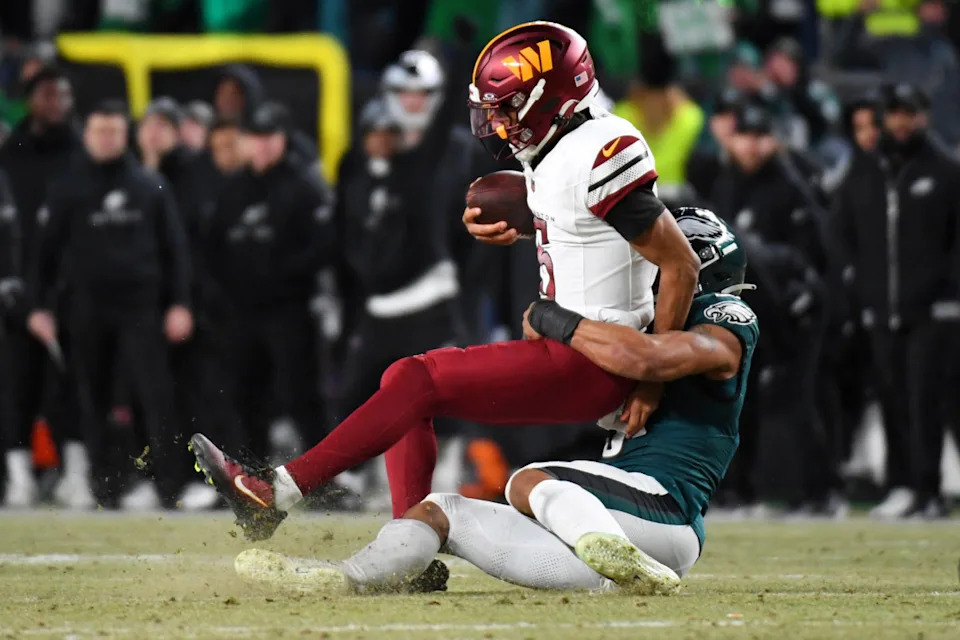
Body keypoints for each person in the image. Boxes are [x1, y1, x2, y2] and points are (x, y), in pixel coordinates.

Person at [189, 21, 700, 540]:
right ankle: (408, 544)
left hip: (598, 357)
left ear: (553, 97)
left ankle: (275, 493)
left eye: (508, 105)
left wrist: (652, 377)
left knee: (416, 380)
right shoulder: (560, 142)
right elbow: (595, 232)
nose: (497, 120)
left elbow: (680, 264)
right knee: (402, 386)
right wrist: (531, 225)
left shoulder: (601, 148)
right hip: (568, 343)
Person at [231, 208, 757, 596]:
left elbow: (651, 358)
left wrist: (558, 319)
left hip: (665, 509)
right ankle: (347, 578)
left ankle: (616, 556)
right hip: (605, 515)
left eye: (650, 261)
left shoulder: (726, 318)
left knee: (528, 480)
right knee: (439, 511)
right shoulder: (639, 325)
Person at [29, 100, 193, 509]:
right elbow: (44, 253)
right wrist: (38, 306)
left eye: (114, 131)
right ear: (87, 135)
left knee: (154, 395)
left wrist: (180, 303)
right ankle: (105, 487)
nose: (106, 139)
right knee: (93, 398)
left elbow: (175, 250)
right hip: (86, 306)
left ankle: (167, 485)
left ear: (126, 134)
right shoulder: (68, 186)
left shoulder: (149, 184)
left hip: (140, 305)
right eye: (99, 131)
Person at [833, 83, 960, 519]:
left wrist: (948, 292)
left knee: (926, 401)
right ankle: (902, 486)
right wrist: (860, 284)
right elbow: (842, 232)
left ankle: (929, 490)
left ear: (924, 115)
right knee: (892, 398)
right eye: (894, 113)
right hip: (881, 310)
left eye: (909, 112)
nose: (901, 122)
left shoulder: (946, 171)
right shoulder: (866, 171)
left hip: (934, 311)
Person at [203, 101, 334, 463]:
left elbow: (323, 247)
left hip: (289, 311)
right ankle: (251, 471)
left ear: (283, 140)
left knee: (301, 394)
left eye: (269, 137)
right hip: (240, 313)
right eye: (255, 137)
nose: (261, 145)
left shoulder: (304, 186)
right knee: (243, 394)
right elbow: (212, 248)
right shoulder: (232, 189)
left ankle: (327, 470)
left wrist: (278, 275)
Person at [0, 65, 84, 508]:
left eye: (63, 95)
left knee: (69, 388)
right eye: (48, 94)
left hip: (69, 292)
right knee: (16, 386)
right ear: (31, 99)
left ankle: (75, 475)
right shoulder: (9, 152)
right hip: (14, 289)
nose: (56, 103)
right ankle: (19, 478)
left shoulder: (81, 151)